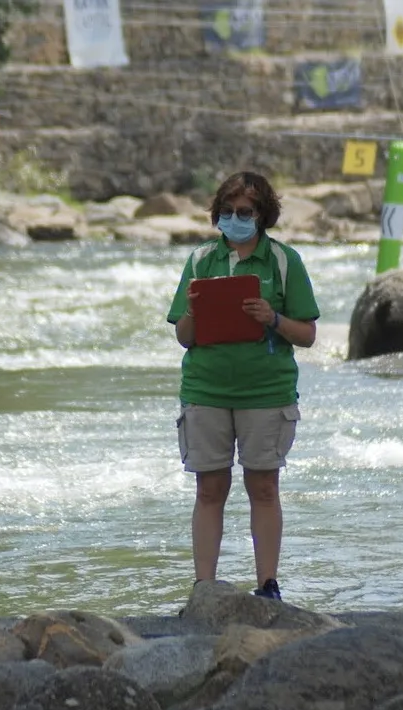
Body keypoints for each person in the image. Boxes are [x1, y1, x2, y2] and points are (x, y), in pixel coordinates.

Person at [166, 171, 320, 601]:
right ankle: (204, 588)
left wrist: (271, 318)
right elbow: (184, 335)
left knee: (264, 487)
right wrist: (195, 310)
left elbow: (307, 334)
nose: (235, 219)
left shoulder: (285, 262)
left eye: (245, 212)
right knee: (209, 488)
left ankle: (268, 586)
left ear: (262, 215)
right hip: (205, 389)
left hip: (266, 392)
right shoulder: (200, 262)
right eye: (228, 212)